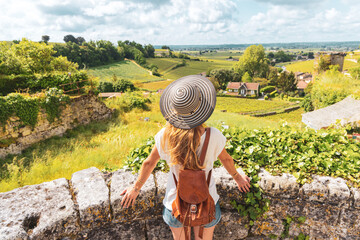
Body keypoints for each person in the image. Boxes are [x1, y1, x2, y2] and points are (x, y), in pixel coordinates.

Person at [121, 75, 251, 240]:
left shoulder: (165, 136)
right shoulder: (213, 136)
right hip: (207, 204)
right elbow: (226, 159)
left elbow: (149, 162)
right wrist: (237, 177)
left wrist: (136, 188)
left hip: (175, 205)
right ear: (200, 108)